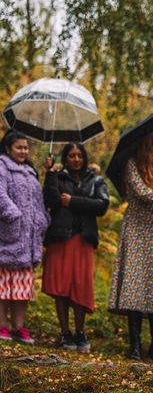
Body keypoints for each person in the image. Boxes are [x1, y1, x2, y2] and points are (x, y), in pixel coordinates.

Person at [108, 132, 153, 361]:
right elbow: (141, 192)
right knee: (135, 285)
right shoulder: (133, 166)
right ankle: (135, 347)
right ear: (146, 150)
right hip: (137, 232)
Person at [42, 143, 109, 352]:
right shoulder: (58, 177)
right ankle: (65, 332)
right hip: (60, 237)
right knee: (61, 285)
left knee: (81, 285)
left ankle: (80, 332)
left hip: (83, 238)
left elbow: (102, 205)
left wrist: (72, 201)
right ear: (66, 157)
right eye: (72, 156)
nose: (76, 159)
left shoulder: (95, 179)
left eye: (80, 155)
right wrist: (50, 173)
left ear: (85, 158)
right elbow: (51, 200)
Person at [0, 130, 50, 344]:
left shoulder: (30, 172)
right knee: (3, 286)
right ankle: (2, 326)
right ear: (8, 148)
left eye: (26, 148)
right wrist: (14, 215)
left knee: (22, 288)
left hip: (28, 240)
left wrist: (42, 221)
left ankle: (19, 328)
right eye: (19, 147)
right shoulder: (2, 167)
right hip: (7, 235)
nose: (23, 151)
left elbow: (38, 203)